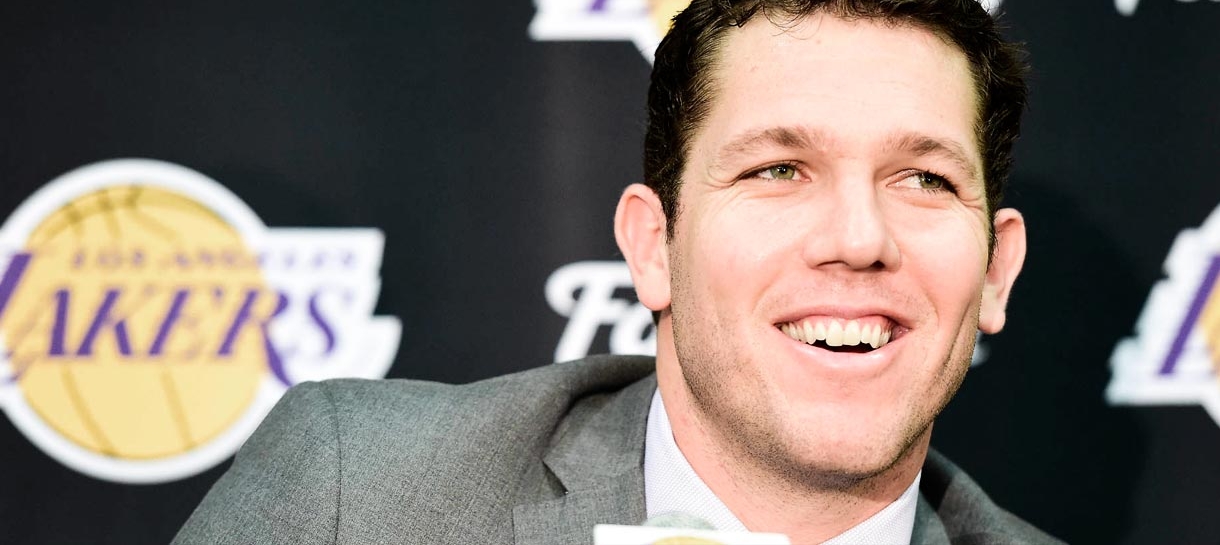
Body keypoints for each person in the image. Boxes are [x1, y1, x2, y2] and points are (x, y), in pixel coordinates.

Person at [175, 1, 1060, 543]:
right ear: (652, 247)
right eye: (779, 170)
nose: (859, 238)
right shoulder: (358, 495)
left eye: (925, 179)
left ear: (996, 271)